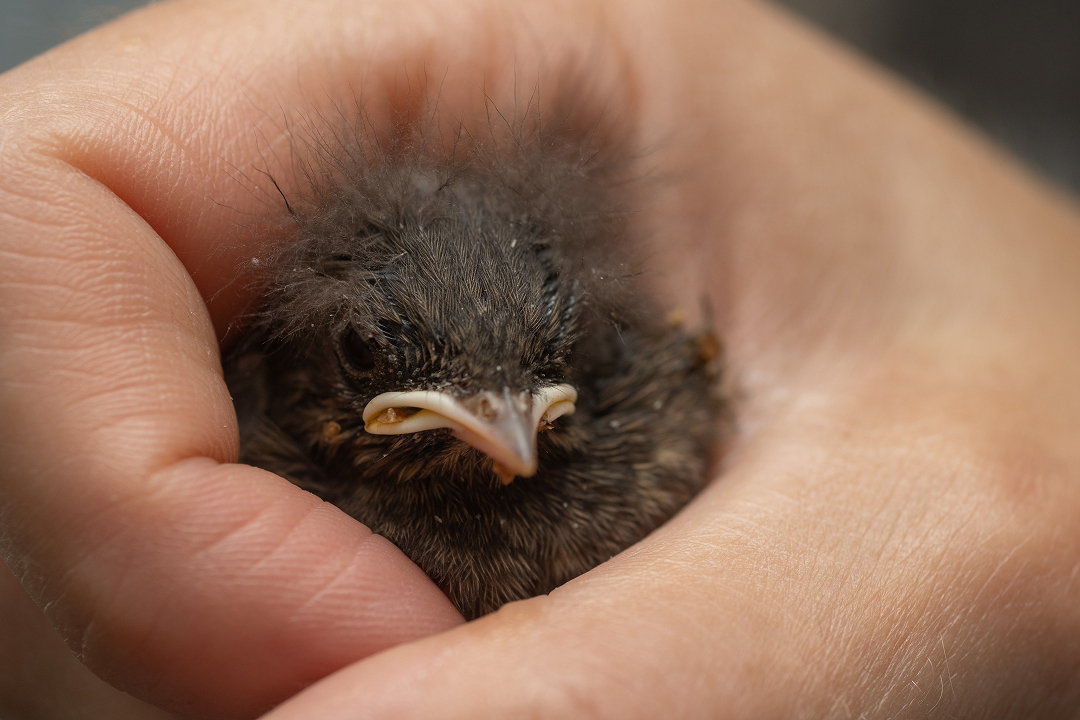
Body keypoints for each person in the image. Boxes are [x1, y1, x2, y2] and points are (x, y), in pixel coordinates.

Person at [1, 0, 1078, 717]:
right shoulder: (253, 435)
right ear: (305, 359)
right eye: (376, 352)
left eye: (535, 371)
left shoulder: (656, 394)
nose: (508, 433)